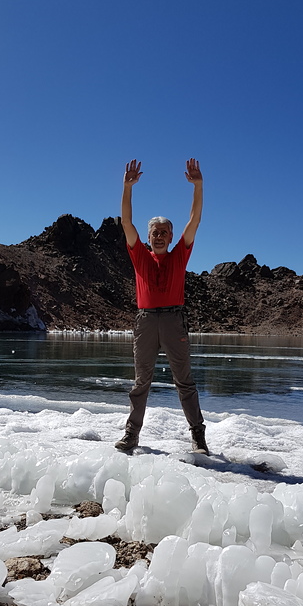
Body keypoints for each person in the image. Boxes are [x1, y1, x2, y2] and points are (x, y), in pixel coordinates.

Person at [115, 158, 209, 455]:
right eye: (155, 232)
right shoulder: (139, 255)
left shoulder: (180, 255)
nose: (159, 235)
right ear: (148, 237)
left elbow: (193, 221)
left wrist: (198, 187)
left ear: (171, 237)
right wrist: (126, 188)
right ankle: (132, 435)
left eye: (164, 232)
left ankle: (198, 436)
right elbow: (126, 222)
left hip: (173, 321)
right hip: (145, 322)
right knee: (141, 381)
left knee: (184, 381)